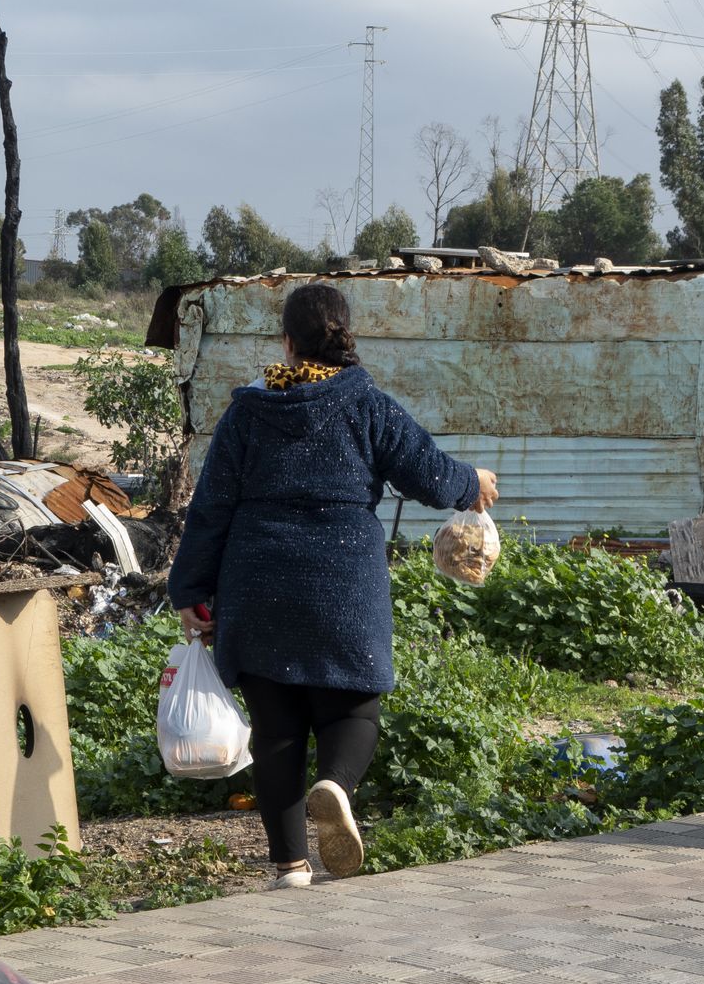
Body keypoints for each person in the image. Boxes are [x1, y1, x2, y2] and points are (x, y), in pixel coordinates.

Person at [168, 283, 498, 889]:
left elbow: (210, 507)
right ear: (345, 336)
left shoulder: (248, 411)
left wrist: (191, 588)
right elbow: (427, 471)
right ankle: (335, 785)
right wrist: (470, 482)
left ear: (287, 343)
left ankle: (290, 866)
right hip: (342, 578)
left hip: (257, 581)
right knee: (354, 707)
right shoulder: (367, 404)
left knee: (275, 729)